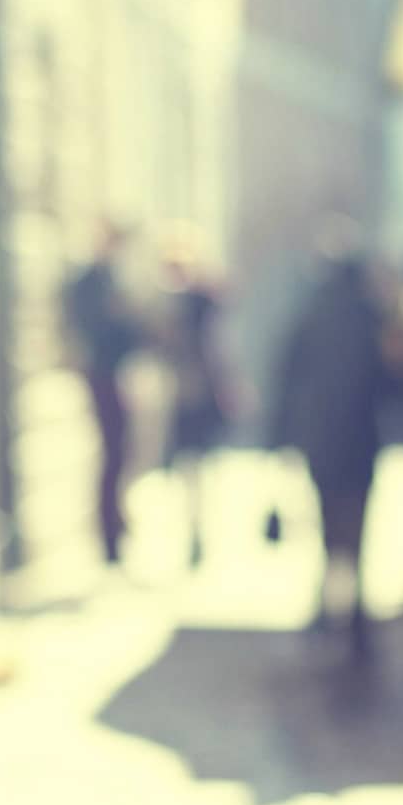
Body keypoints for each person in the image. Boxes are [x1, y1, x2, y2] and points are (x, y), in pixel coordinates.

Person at [273, 249, 387, 653]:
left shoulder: (313, 314)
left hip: (322, 438)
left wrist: (282, 436)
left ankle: (331, 604)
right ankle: (351, 608)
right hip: (357, 439)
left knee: (328, 522)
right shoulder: (370, 315)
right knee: (355, 524)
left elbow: (287, 376)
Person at [64, 221, 146, 563]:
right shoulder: (91, 284)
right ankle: (109, 533)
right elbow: (94, 329)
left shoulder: (109, 281)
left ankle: (116, 524)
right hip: (102, 374)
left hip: (114, 373)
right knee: (112, 453)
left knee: (122, 451)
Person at [159, 238, 233, 566]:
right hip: (180, 395)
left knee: (196, 468)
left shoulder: (198, 305)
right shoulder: (171, 306)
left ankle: (198, 528)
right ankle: (193, 528)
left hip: (195, 395)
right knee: (188, 469)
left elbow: (216, 350)